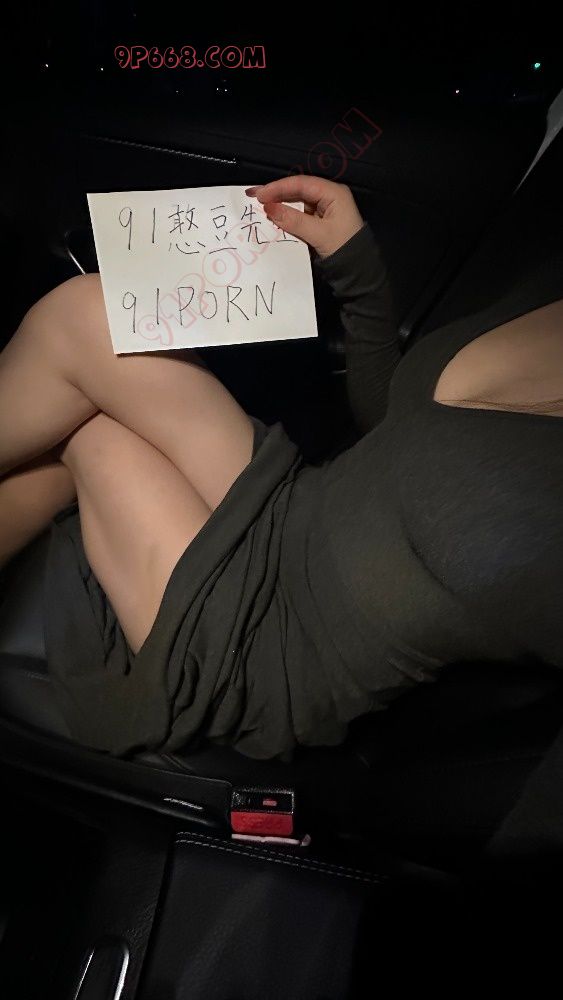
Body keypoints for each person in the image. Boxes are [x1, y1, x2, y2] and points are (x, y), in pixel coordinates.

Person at [1, 175, 563, 762]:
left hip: (279, 641)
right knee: (86, 313)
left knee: (94, 431)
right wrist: (356, 271)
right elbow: (398, 419)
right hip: (298, 505)